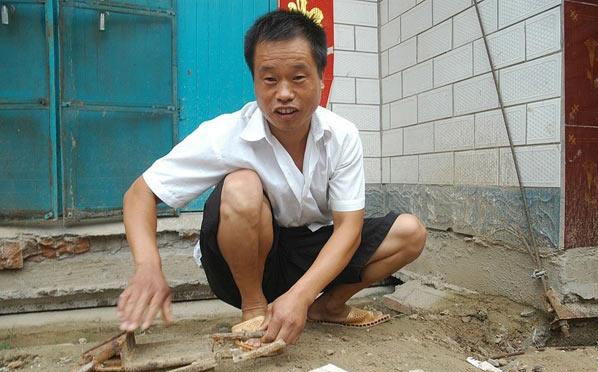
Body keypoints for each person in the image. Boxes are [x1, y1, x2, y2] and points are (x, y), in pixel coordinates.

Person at [117, 9, 426, 347]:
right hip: (245, 264)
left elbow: (348, 228)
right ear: (254, 83)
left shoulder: (342, 136)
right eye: (270, 79)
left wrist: (302, 296)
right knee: (241, 185)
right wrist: (147, 265)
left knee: (410, 233)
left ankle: (329, 306)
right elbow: (140, 193)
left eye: (298, 77)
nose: (284, 93)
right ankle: (253, 310)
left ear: (322, 78)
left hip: (308, 255)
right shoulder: (226, 134)